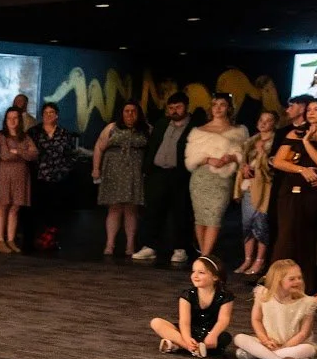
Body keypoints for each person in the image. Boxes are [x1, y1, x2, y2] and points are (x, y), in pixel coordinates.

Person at [269, 97, 317, 289]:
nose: (311, 113)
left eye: (316, 109)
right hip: (290, 189)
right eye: (309, 110)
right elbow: (279, 161)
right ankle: (275, 281)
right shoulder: (293, 133)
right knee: (286, 234)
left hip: (313, 192)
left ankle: (304, 282)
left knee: (305, 235)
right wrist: (301, 169)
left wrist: (306, 142)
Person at [185, 92, 249, 260]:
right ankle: (203, 254)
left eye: (222, 105)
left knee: (214, 215)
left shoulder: (238, 131)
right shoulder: (199, 131)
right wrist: (207, 159)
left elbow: (244, 155)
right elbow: (191, 158)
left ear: (228, 108)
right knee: (200, 218)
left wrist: (232, 157)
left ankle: (205, 257)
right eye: (215, 104)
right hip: (201, 177)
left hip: (222, 178)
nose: (218, 108)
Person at [131, 93, 192, 266]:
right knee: (154, 211)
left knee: (180, 212)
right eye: (171, 108)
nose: (174, 111)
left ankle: (181, 249)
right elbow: (152, 146)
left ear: (186, 106)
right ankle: (149, 245)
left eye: (178, 107)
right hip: (158, 173)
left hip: (180, 174)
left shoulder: (194, 126)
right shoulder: (162, 123)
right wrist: (147, 170)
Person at [231, 259, 317, 359]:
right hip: (268, 343)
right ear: (277, 281)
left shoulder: (307, 302)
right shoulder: (263, 295)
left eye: (299, 278)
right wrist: (265, 340)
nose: (297, 281)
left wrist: (284, 347)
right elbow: (256, 319)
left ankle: (262, 355)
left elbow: (303, 333)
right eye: (292, 279)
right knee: (239, 338)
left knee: (309, 349)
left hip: (292, 345)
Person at [93, 99, 149, 258]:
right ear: (122, 113)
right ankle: (110, 244)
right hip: (113, 172)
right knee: (114, 208)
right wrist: (96, 169)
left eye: (133, 111)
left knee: (131, 209)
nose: (130, 114)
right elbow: (99, 147)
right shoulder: (112, 128)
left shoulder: (145, 129)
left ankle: (130, 244)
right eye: (126, 111)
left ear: (138, 113)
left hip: (134, 173)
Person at [150, 255, 233, 357]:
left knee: (225, 337)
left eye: (201, 273)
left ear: (215, 277)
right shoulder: (187, 295)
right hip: (189, 331)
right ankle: (190, 347)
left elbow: (223, 320)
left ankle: (177, 346)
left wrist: (213, 335)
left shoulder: (225, 296)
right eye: (193, 271)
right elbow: (184, 322)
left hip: (209, 333)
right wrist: (187, 339)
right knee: (156, 322)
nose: (195, 275)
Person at [27, 102, 78, 252]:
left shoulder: (64, 133)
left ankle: (51, 241)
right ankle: (34, 241)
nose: (49, 115)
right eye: (46, 113)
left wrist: (65, 170)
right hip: (39, 177)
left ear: (57, 115)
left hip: (58, 179)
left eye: (52, 113)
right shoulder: (34, 132)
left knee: (55, 211)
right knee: (37, 210)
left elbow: (71, 155)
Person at [234, 109, 279, 276]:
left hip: (264, 189)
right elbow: (243, 162)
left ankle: (260, 260)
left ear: (274, 123)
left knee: (260, 224)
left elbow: (273, 167)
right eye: (261, 119)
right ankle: (247, 259)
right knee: (247, 225)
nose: (264, 123)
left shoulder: (275, 142)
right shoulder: (250, 141)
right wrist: (244, 168)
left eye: (268, 120)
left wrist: (263, 153)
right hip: (248, 186)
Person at [0, 107, 38, 253]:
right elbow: (4, 155)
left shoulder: (26, 137)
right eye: (9, 118)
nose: (12, 121)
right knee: (1, 206)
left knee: (15, 208)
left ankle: (10, 239)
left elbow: (34, 154)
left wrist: (17, 151)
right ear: (5, 120)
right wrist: (23, 153)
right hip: (2, 175)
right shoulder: (0, 136)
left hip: (20, 176)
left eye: (15, 118)